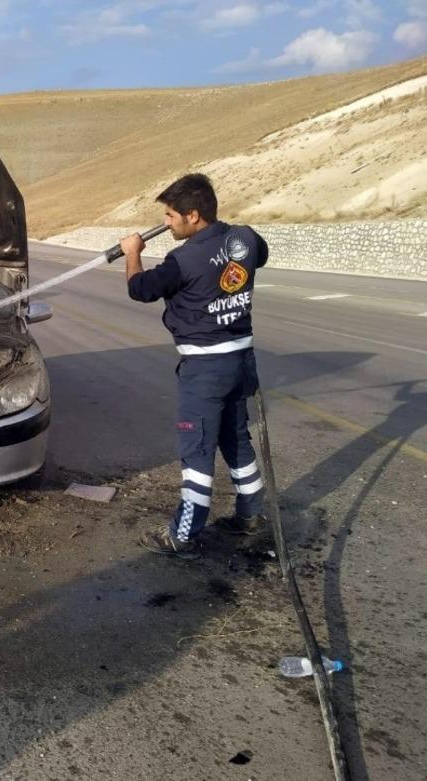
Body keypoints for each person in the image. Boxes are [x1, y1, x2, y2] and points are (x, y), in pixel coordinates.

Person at [118, 173, 269, 560]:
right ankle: (251, 515)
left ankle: (183, 535)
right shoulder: (245, 238)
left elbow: (140, 289)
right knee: (235, 438)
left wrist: (133, 251)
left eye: (171, 216)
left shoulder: (182, 260)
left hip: (205, 370)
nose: (166, 223)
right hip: (241, 362)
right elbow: (258, 257)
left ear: (194, 215)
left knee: (197, 448)